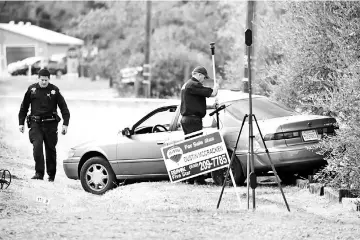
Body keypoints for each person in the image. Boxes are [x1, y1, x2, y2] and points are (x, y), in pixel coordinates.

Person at [18, 68, 70, 182]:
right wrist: (21, 123)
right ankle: (39, 173)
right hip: (35, 124)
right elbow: (24, 108)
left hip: (50, 124)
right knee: (37, 147)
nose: (44, 82)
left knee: (50, 150)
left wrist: (65, 124)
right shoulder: (32, 90)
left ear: (49, 79)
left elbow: (64, 108)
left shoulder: (54, 91)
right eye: (42, 80)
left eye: (46, 80)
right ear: (38, 79)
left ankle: (51, 175)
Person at [180, 66, 219, 184]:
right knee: (196, 148)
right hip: (193, 121)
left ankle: (190, 178)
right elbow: (212, 93)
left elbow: (195, 104)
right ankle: (198, 178)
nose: (203, 80)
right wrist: (216, 88)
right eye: (203, 77)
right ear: (198, 75)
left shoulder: (187, 85)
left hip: (187, 119)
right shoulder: (194, 84)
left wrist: (212, 107)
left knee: (190, 148)